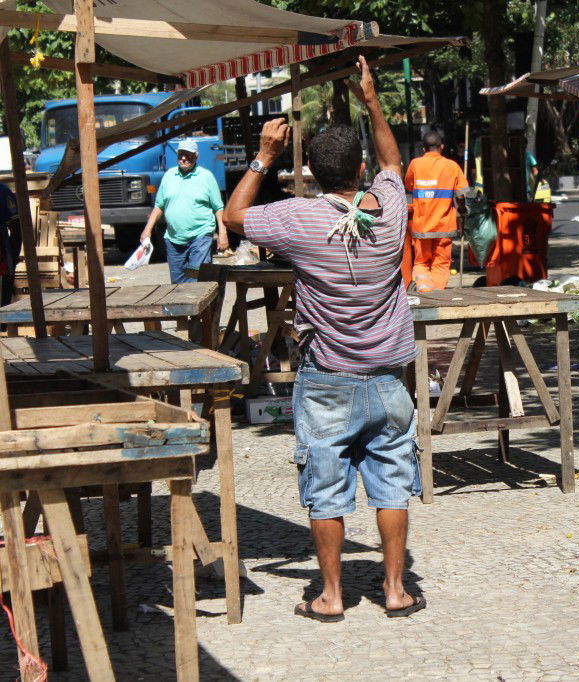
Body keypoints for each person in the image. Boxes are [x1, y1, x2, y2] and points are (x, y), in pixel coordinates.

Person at [223, 56, 425, 622]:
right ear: (360, 172)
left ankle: (332, 596)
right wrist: (373, 101)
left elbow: (234, 215)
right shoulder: (388, 212)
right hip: (387, 380)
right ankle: (393, 590)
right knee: (391, 487)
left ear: (310, 171)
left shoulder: (299, 218)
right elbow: (394, 159)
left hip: (326, 381)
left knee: (327, 489)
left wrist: (264, 154)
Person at [141, 139, 228, 283]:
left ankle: (199, 305)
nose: (183, 158)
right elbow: (159, 206)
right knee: (178, 285)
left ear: (196, 156)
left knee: (197, 279)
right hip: (174, 240)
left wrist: (223, 233)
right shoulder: (169, 176)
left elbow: (218, 208)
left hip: (200, 236)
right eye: (181, 154)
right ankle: (183, 306)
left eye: (188, 155)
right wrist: (147, 230)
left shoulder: (206, 177)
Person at [405, 130, 470, 292]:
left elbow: (409, 185)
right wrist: (462, 209)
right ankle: (437, 295)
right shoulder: (452, 166)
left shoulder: (415, 164)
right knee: (441, 264)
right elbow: (461, 195)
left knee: (421, 263)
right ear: (442, 147)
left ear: (423, 149)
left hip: (421, 227)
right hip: (444, 227)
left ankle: (425, 292)